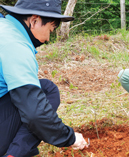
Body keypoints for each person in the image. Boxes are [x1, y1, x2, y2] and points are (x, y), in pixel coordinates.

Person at [0, 0, 88, 157]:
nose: (48, 39)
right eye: (51, 29)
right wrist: (70, 137)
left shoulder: (4, 28)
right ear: (34, 21)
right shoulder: (16, 44)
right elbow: (35, 113)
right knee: (47, 91)